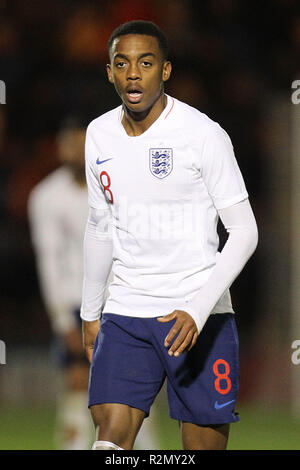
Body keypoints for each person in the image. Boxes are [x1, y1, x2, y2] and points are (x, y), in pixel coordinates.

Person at [80, 20, 258, 451]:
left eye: (146, 63)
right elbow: (100, 224)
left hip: (199, 316)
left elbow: (245, 231)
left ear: (165, 70)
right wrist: (90, 311)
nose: (133, 74)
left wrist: (197, 309)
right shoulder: (98, 134)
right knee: (110, 439)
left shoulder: (202, 135)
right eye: (122, 64)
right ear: (110, 72)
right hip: (127, 312)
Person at [28, 121, 94, 450]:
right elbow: (49, 260)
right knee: (77, 380)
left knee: (134, 383)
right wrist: (61, 320)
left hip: (118, 297)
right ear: (61, 150)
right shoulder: (46, 196)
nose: (79, 154)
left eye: (85, 146)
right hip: (74, 300)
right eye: (73, 146)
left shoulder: (112, 187)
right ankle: (74, 445)